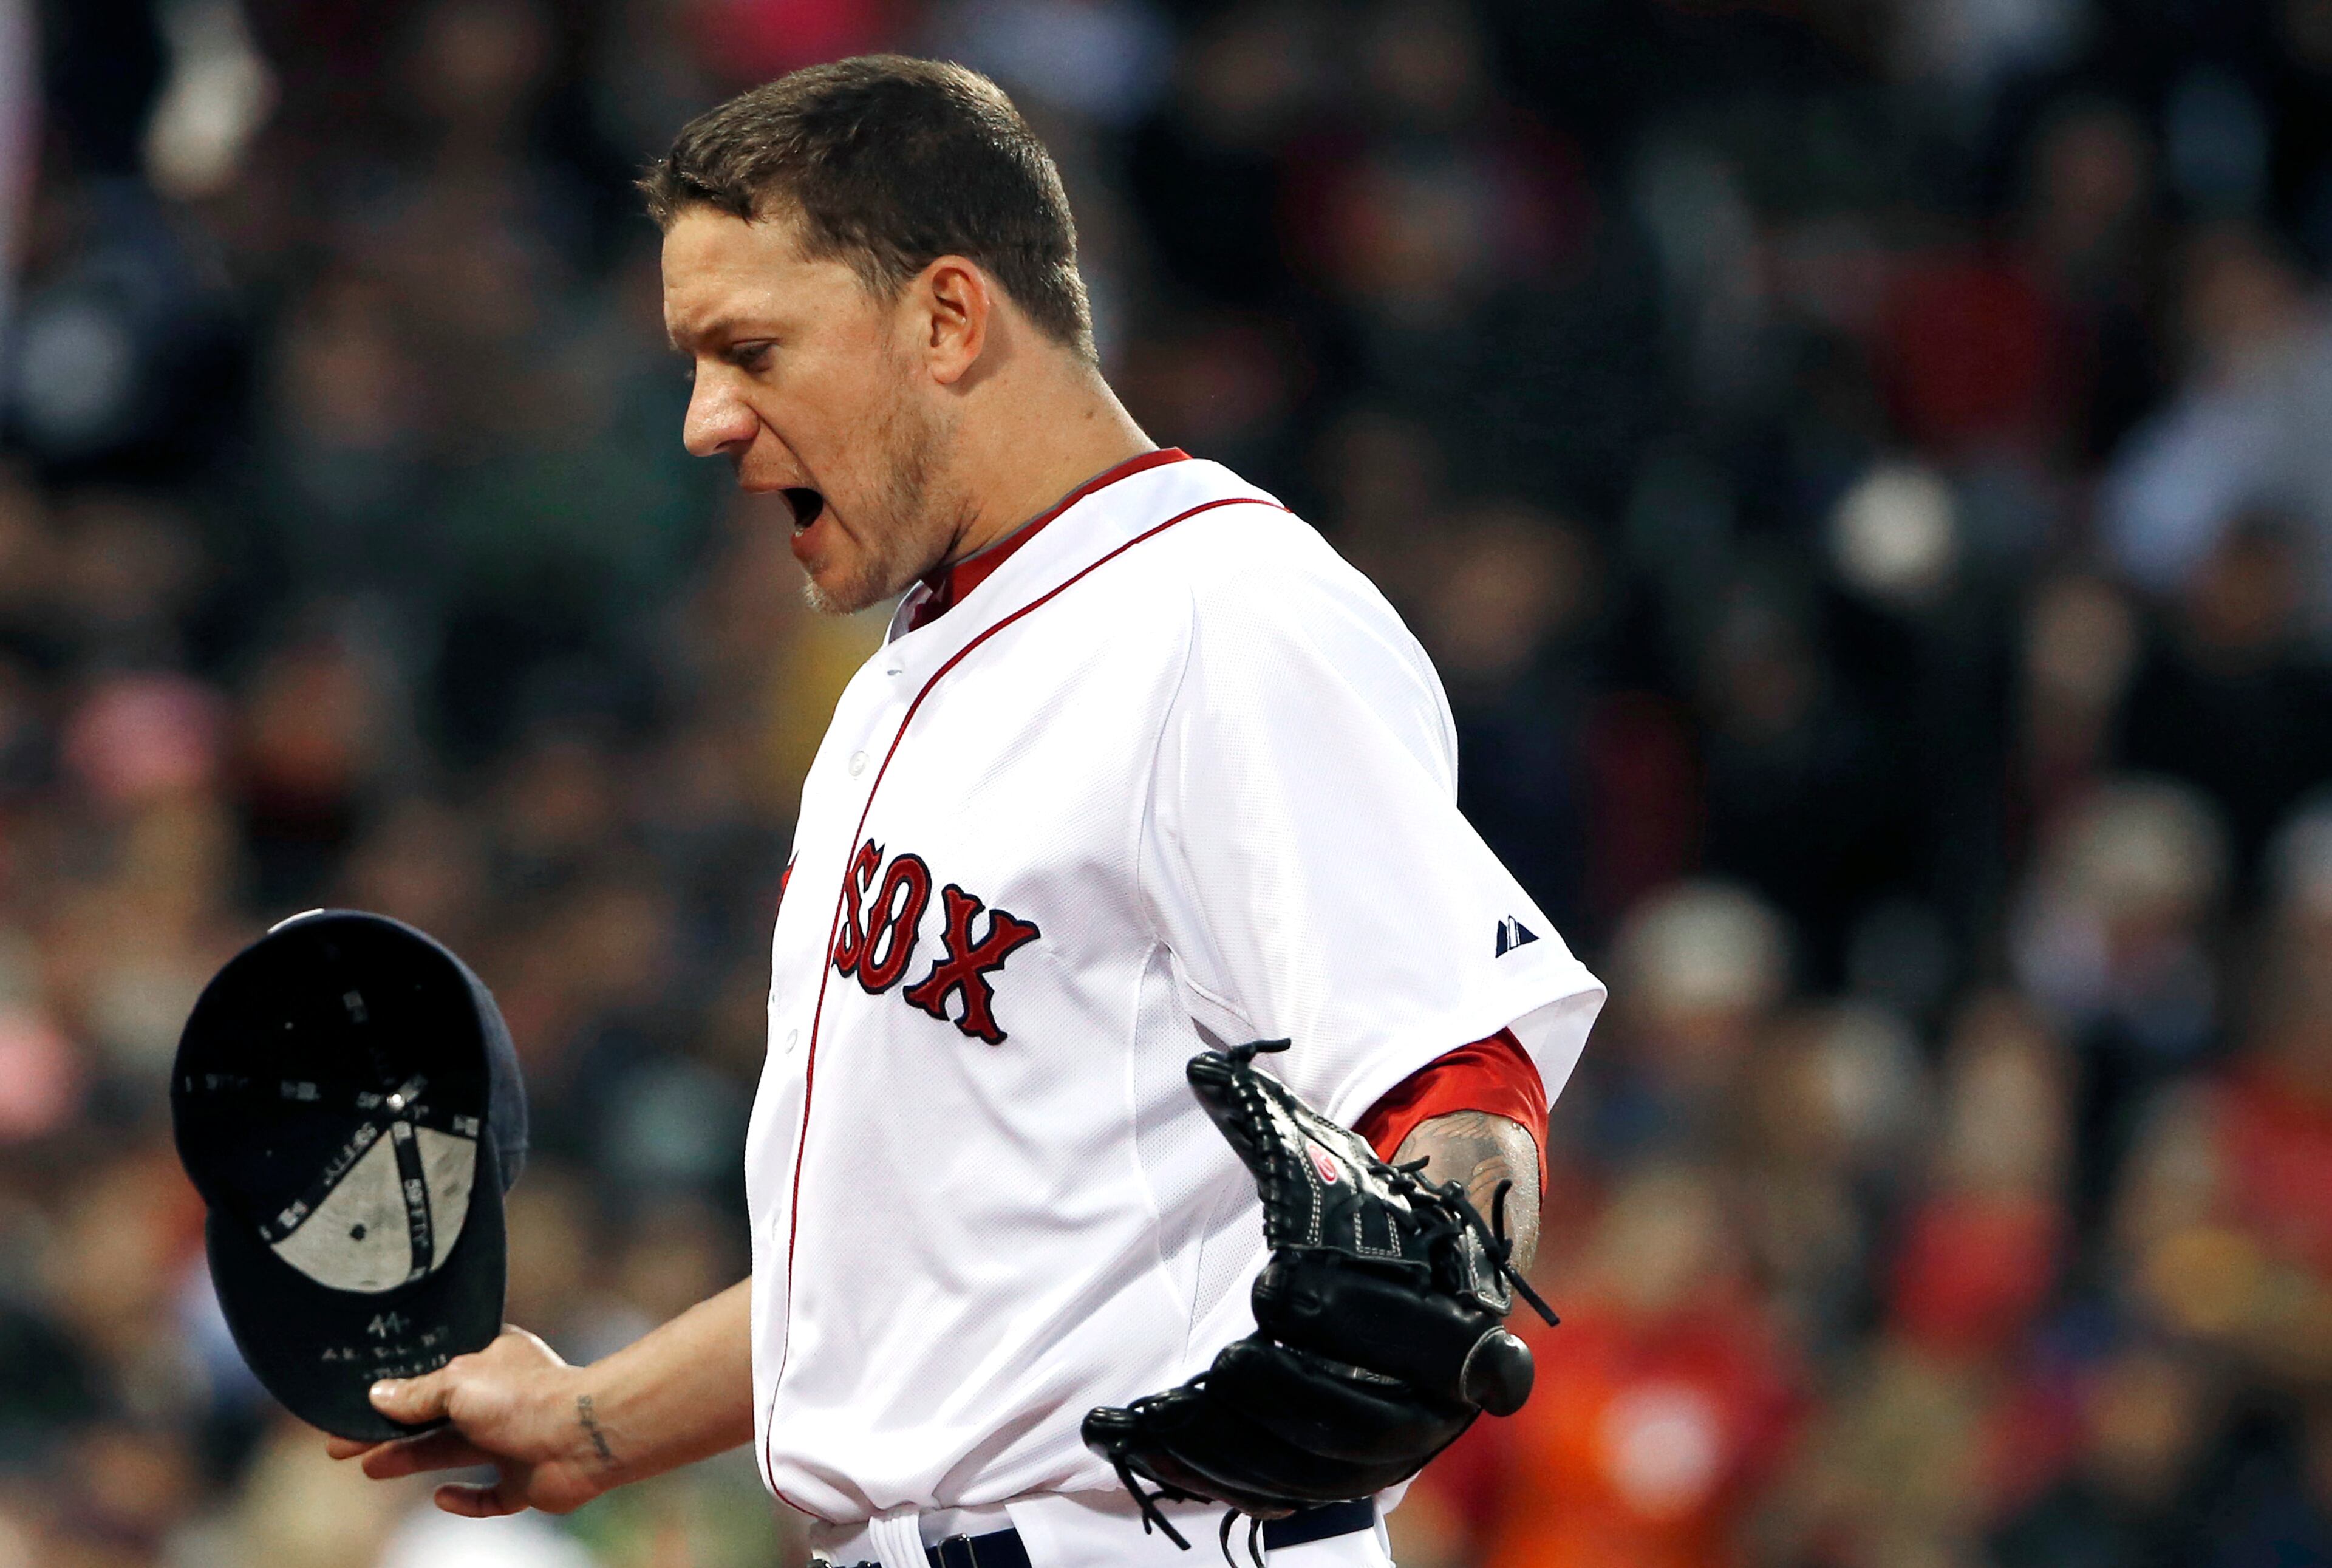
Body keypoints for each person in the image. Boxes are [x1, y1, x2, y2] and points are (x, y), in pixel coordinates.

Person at [327, 55, 1604, 1568]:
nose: (705, 421)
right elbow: (916, 1265)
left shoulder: (1221, 614)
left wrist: (1448, 1253)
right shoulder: (907, 661)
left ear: (946, 316)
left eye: (751, 350)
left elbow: (1458, 1072)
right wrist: (592, 1423)